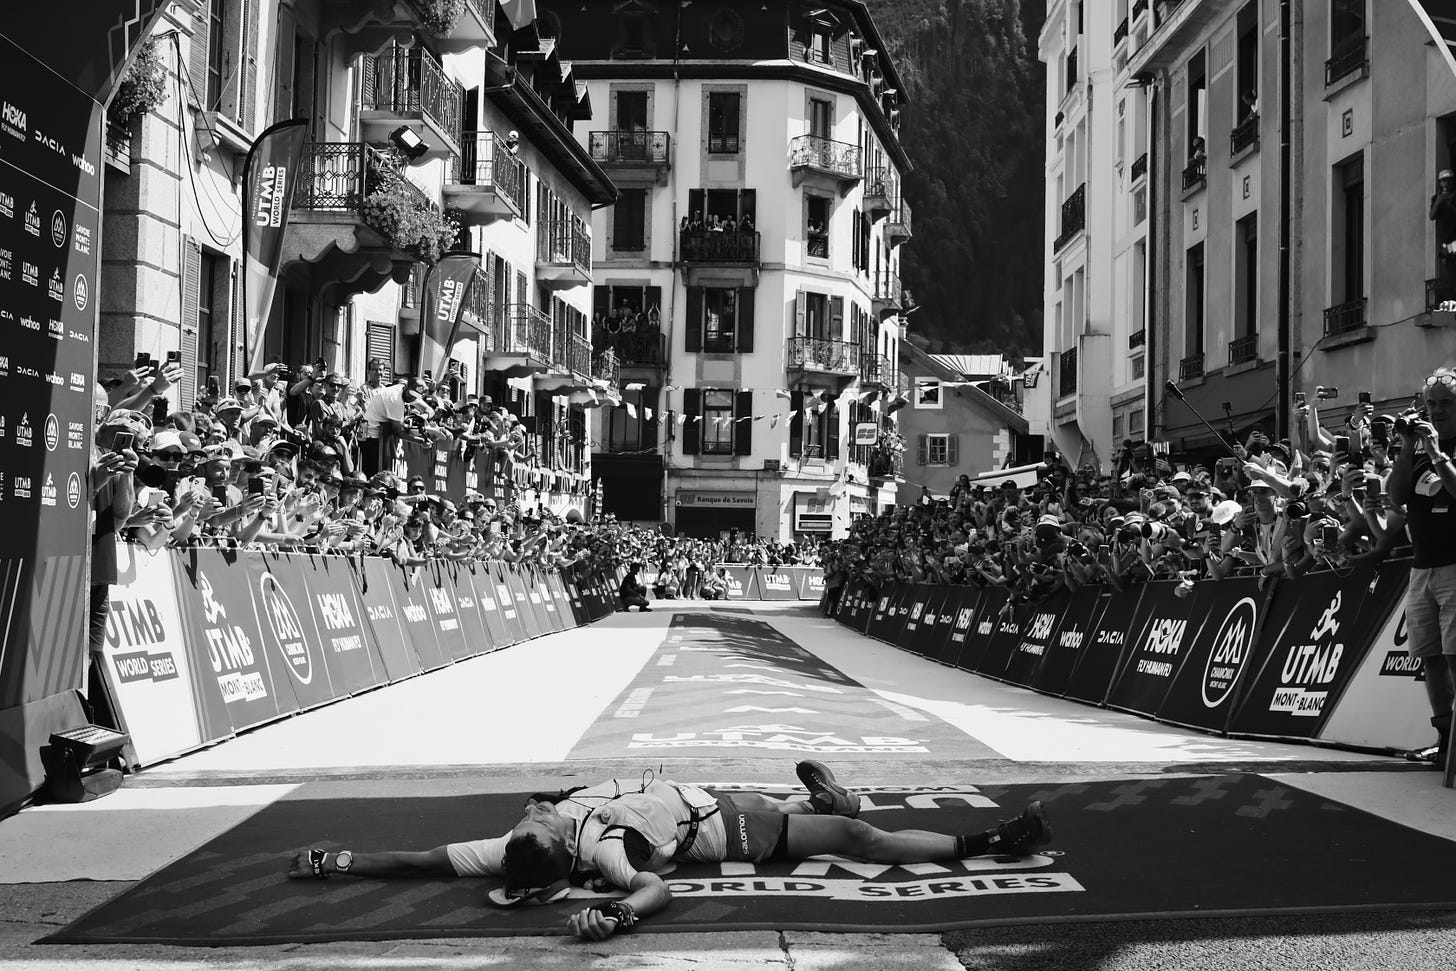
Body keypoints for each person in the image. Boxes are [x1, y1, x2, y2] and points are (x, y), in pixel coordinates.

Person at [285, 761, 1051, 941]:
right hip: (720, 824)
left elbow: (418, 862)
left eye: (524, 821)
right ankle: (993, 842)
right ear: (550, 847)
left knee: (823, 818)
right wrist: (617, 914)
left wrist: (337, 860)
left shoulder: (511, 848)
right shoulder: (600, 850)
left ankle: (825, 802)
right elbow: (657, 889)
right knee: (859, 840)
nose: (526, 815)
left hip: (682, 794)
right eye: (532, 824)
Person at [1389, 368, 1456, 770]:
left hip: (1454, 565)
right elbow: (1396, 497)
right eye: (1431, 404)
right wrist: (1406, 447)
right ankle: (1445, 738)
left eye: (1446, 404)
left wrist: (1436, 452)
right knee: (1430, 656)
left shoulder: (1442, 449)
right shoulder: (1416, 448)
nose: (1437, 412)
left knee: (1454, 656)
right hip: (1421, 568)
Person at [1431, 170, 1456, 311]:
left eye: (1448, 180)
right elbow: (1432, 216)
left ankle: (1452, 300)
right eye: (1443, 181)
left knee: (1452, 268)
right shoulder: (1436, 199)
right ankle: (1448, 301)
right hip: (1445, 241)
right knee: (1446, 267)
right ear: (1440, 183)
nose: (1445, 183)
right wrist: (1439, 202)